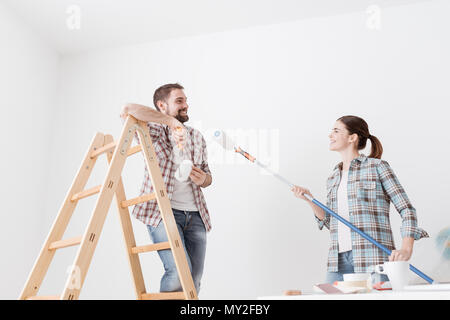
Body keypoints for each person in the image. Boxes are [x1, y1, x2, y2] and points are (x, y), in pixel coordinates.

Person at [291, 115, 429, 284]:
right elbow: (330, 222)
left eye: (336, 131)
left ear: (352, 138)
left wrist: (406, 249)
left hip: (373, 258)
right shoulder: (333, 177)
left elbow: (407, 209)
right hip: (338, 260)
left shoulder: (377, 167)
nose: (330, 135)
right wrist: (310, 200)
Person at [119, 83, 212, 294]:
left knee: (194, 280)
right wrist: (170, 122)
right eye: (179, 101)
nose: (185, 105)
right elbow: (127, 109)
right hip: (163, 212)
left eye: (186, 101)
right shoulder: (155, 130)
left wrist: (203, 178)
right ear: (162, 105)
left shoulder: (196, 136)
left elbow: (208, 178)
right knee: (179, 272)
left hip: (196, 216)